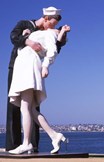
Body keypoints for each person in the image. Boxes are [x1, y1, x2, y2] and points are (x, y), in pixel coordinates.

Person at [5, 6, 69, 154]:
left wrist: (46, 66)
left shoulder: (49, 33)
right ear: (46, 18)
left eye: (55, 26)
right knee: (30, 109)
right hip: (22, 65)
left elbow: (53, 50)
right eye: (52, 23)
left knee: (25, 107)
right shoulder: (32, 28)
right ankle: (54, 135)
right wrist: (27, 37)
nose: (53, 27)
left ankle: (26, 143)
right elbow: (14, 37)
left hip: (28, 65)